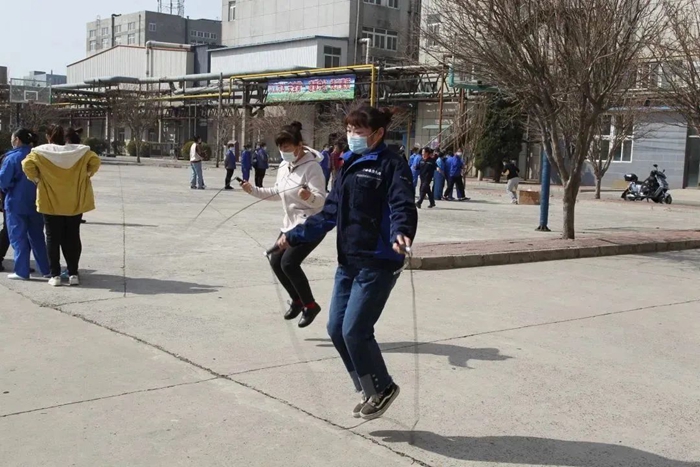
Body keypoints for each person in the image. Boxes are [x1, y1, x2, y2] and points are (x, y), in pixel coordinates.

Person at [278, 106, 418, 421]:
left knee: (355, 330)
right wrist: (295, 235)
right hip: (349, 261)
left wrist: (401, 233)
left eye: (359, 131)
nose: (352, 136)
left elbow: (402, 205)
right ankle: (369, 389)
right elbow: (330, 213)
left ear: (378, 133)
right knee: (335, 329)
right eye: (350, 130)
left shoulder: (392, 164)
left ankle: (383, 387)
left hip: (378, 261)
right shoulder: (349, 164)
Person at [241, 122, 327, 328]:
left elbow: (321, 201)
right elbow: (277, 192)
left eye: (287, 147)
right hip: (290, 224)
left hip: (310, 224)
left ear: (299, 146)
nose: (284, 152)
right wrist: (253, 190)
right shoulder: (283, 166)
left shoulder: (312, 168)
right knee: (275, 261)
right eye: (281, 148)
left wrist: (308, 196)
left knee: (289, 263)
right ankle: (297, 301)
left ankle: (310, 305)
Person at [22, 125, 101, 287]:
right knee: (73, 237)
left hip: (50, 201)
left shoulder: (40, 152)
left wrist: (37, 179)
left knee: (52, 238)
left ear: (49, 137)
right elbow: (95, 161)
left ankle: (55, 275)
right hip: (74, 201)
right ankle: (73, 274)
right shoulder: (81, 152)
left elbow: (27, 165)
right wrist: (86, 175)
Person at [0, 129, 50, 280]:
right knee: (37, 237)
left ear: (17, 140)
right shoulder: (39, 156)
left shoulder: (12, 158)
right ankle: (46, 270)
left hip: (16, 203)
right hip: (37, 201)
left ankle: (22, 271)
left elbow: (3, 181)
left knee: (18, 237)